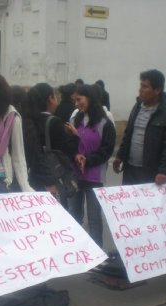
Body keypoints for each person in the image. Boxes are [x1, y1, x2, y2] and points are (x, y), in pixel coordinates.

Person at [65, 84, 115, 247]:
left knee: (94, 218)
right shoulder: (73, 120)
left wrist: (88, 160)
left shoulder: (105, 122)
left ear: (90, 98)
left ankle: (96, 252)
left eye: (79, 99)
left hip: (94, 177)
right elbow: (67, 145)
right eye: (75, 101)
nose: (77, 104)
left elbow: (107, 150)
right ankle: (77, 251)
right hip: (75, 175)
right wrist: (75, 155)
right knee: (74, 215)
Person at [113, 69, 166, 186]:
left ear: (157, 90)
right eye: (140, 85)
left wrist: (164, 171)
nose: (140, 90)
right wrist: (120, 156)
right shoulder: (137, 107)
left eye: (145, 87)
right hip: (130, 169)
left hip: (151, 173)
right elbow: (128, 134)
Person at [24, 83, 79, 200]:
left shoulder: (30, 120)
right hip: (53, 177)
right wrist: (74, 137)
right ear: (50, 99)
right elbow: (66, 151)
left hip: (34, 176)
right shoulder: (55, 122)